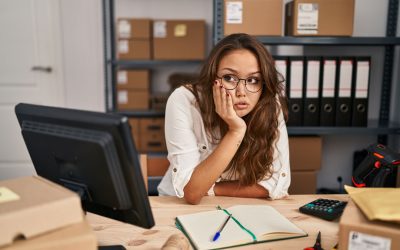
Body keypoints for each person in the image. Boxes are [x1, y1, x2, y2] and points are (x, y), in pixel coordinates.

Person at [157, 33, 290, 204]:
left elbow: (277, 185)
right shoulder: (185, 100)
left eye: (253, 80)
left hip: (241, 206)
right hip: (176, 205)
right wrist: (236, 131)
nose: (242, 92)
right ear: (213, 78)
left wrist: (210, 187)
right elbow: (192, 193)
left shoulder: (269, 103)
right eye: (229, 78)